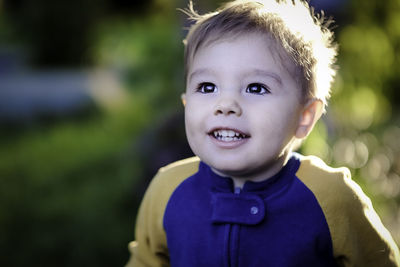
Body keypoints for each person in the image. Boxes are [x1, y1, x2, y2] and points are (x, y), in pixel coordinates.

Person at [126, 0, 400, 266]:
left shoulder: (331, 198)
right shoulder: (168, 189)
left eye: (255, 88)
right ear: (186, 104)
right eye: (208, 87)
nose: (226, 105)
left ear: (305, 117)